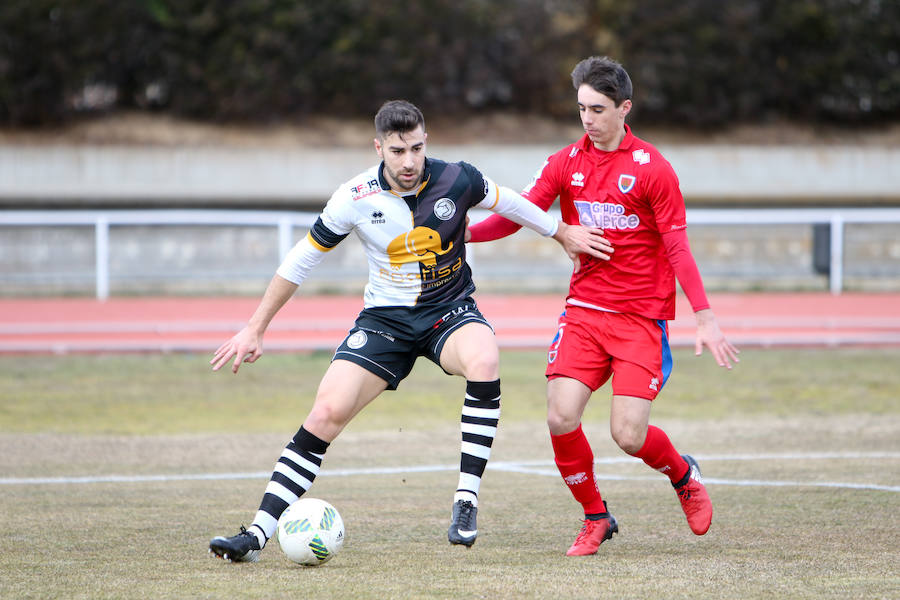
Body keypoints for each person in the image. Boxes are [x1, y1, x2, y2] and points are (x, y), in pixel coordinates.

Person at [207, 99, 612, 562]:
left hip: (448, 310)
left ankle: (465, 500)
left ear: (426, 141)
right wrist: (255, 328)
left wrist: (559, 231)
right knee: (324, 415)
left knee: (485, 358)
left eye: (416, 148)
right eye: (398, 151)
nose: (409, 161)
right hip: (386, 322)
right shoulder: (353, 197)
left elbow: (511, 202)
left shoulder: (457, 177)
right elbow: (302, 259)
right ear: (379, 147)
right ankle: (256, 535)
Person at [467, 56, 740, 556]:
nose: (587, 119)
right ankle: (596, 517)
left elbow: (678, 247)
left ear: (623, 108)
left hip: (639, 320)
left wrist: (705, 316)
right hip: (585, 313)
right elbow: (517, 216)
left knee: (628, 435)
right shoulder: (565, 162)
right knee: (560, 417)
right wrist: (462, 232)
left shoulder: (653, 169)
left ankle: (683, 476)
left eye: (597, 109)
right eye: (581, 109)